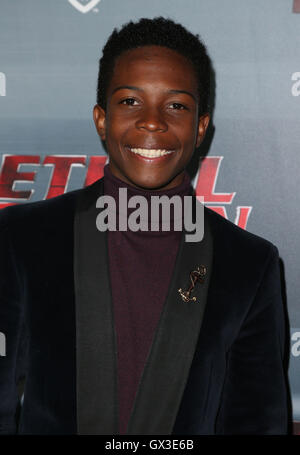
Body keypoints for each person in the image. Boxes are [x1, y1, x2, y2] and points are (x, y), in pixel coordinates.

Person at [0, 17, 290, 435]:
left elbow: (257, 422)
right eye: (130, 101)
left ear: (200, 127)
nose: (152, 122)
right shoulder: (24, 238)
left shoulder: (249, 263)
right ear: (101, 119)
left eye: (176, 105)